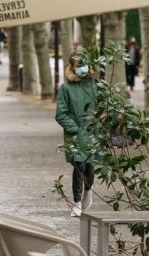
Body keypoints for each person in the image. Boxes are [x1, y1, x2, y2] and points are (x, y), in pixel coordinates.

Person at [55, 53, 96, 217]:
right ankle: (77, 202)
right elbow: (60, 114)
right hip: (75, 135)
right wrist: (76, 129)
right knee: (79, 166)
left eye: (84, 65)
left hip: (93, 133)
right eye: (78, 66)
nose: (82, 69)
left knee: (90, 167)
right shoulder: (65, 88)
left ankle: (88, 189)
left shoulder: (94, 85)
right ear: (71, 67)